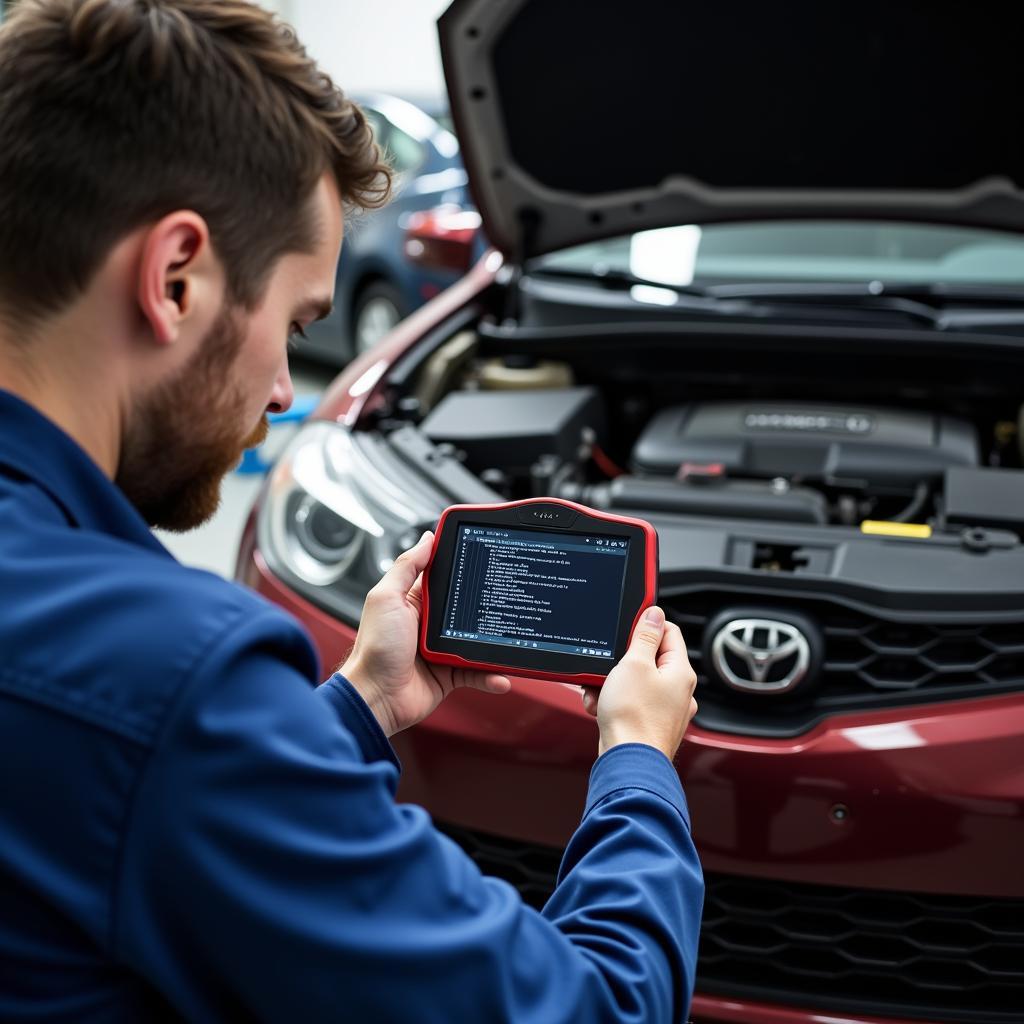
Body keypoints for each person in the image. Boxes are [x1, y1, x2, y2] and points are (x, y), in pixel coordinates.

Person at [0, 1, 703, 1021]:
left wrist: (361, 702)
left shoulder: (125, 687)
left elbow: (123, 811)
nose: (286, 387)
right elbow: (599, 1007)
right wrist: (637, 760)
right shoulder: (174, 676)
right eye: (293, 321)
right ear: (176, 277)